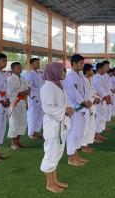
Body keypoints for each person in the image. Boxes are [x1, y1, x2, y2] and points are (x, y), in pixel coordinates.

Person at [40, 62, 74, 193]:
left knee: (57, 153)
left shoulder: (58, 85)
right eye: (62, 71)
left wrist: (68, 109)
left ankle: (54, 180)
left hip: (61, 123)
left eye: (65, 71)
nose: (64, 73)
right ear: (54, 72)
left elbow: (62, 103)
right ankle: (49, 183)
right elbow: (48, 108)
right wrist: (64, 111)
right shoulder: (47, 87)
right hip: (53, 125)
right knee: (51, 153)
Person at [64, 54, 92, 167]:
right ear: (74, 63)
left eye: (83, 63)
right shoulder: (70, 77)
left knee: (79, 133)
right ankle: (71, 157)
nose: (82, 65)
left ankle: (75, 155)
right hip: (75, 109)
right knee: (73, 133)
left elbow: (83, 92)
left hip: (82, 109)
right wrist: (84, 102)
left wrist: (87, 101)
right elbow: (74, 93)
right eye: (81, 63)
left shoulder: (79, 76)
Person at [7, 62, 30, 150]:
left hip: (22, 102)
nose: (20, 69)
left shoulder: (22, 78)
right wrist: (21, 92)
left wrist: (26, 93)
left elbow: (27, 88)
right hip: (14, 103)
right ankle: (13, 143)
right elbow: (9, 93)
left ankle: (18, 141)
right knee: (14, 122)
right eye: (17, 68)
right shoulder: (10, 79)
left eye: (20, 68)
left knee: (22, 122)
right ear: (12, 69)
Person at [81, 63, 100, 153]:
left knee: (91, 125)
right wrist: (93, 99)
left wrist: (97, 98)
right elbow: (85, 95)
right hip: (86, 106)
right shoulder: (83, 81)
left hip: (92, 105)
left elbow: (93, 92)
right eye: (92, 70)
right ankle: (84, 145)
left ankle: (87, 143)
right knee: (86, 126)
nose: (93, 71)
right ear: (87, 71)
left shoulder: (89, 80)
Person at [26, 58, 44, 140]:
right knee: (33, 115)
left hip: (41, 97)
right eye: (36, 63)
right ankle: (31, 133)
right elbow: (30, 86)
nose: (38, 64)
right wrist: (35, 93)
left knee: (40, 115)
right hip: (34, 97)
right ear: (31, 64)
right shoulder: (30, 74)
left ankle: (36, 131)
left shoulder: (40, 74)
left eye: (38, 62)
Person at [92, 62, 109, 143]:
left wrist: (107, 97)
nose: (105, 69)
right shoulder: (96, 78)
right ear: (99, 69)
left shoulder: (101, 77)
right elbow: (100, 89)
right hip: (98, 100)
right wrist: (106, 97)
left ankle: (98, 134)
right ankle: (95, 136)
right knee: (98, 118)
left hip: (102, 100)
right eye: (104, 68)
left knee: (101, 117)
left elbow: (105, 88)